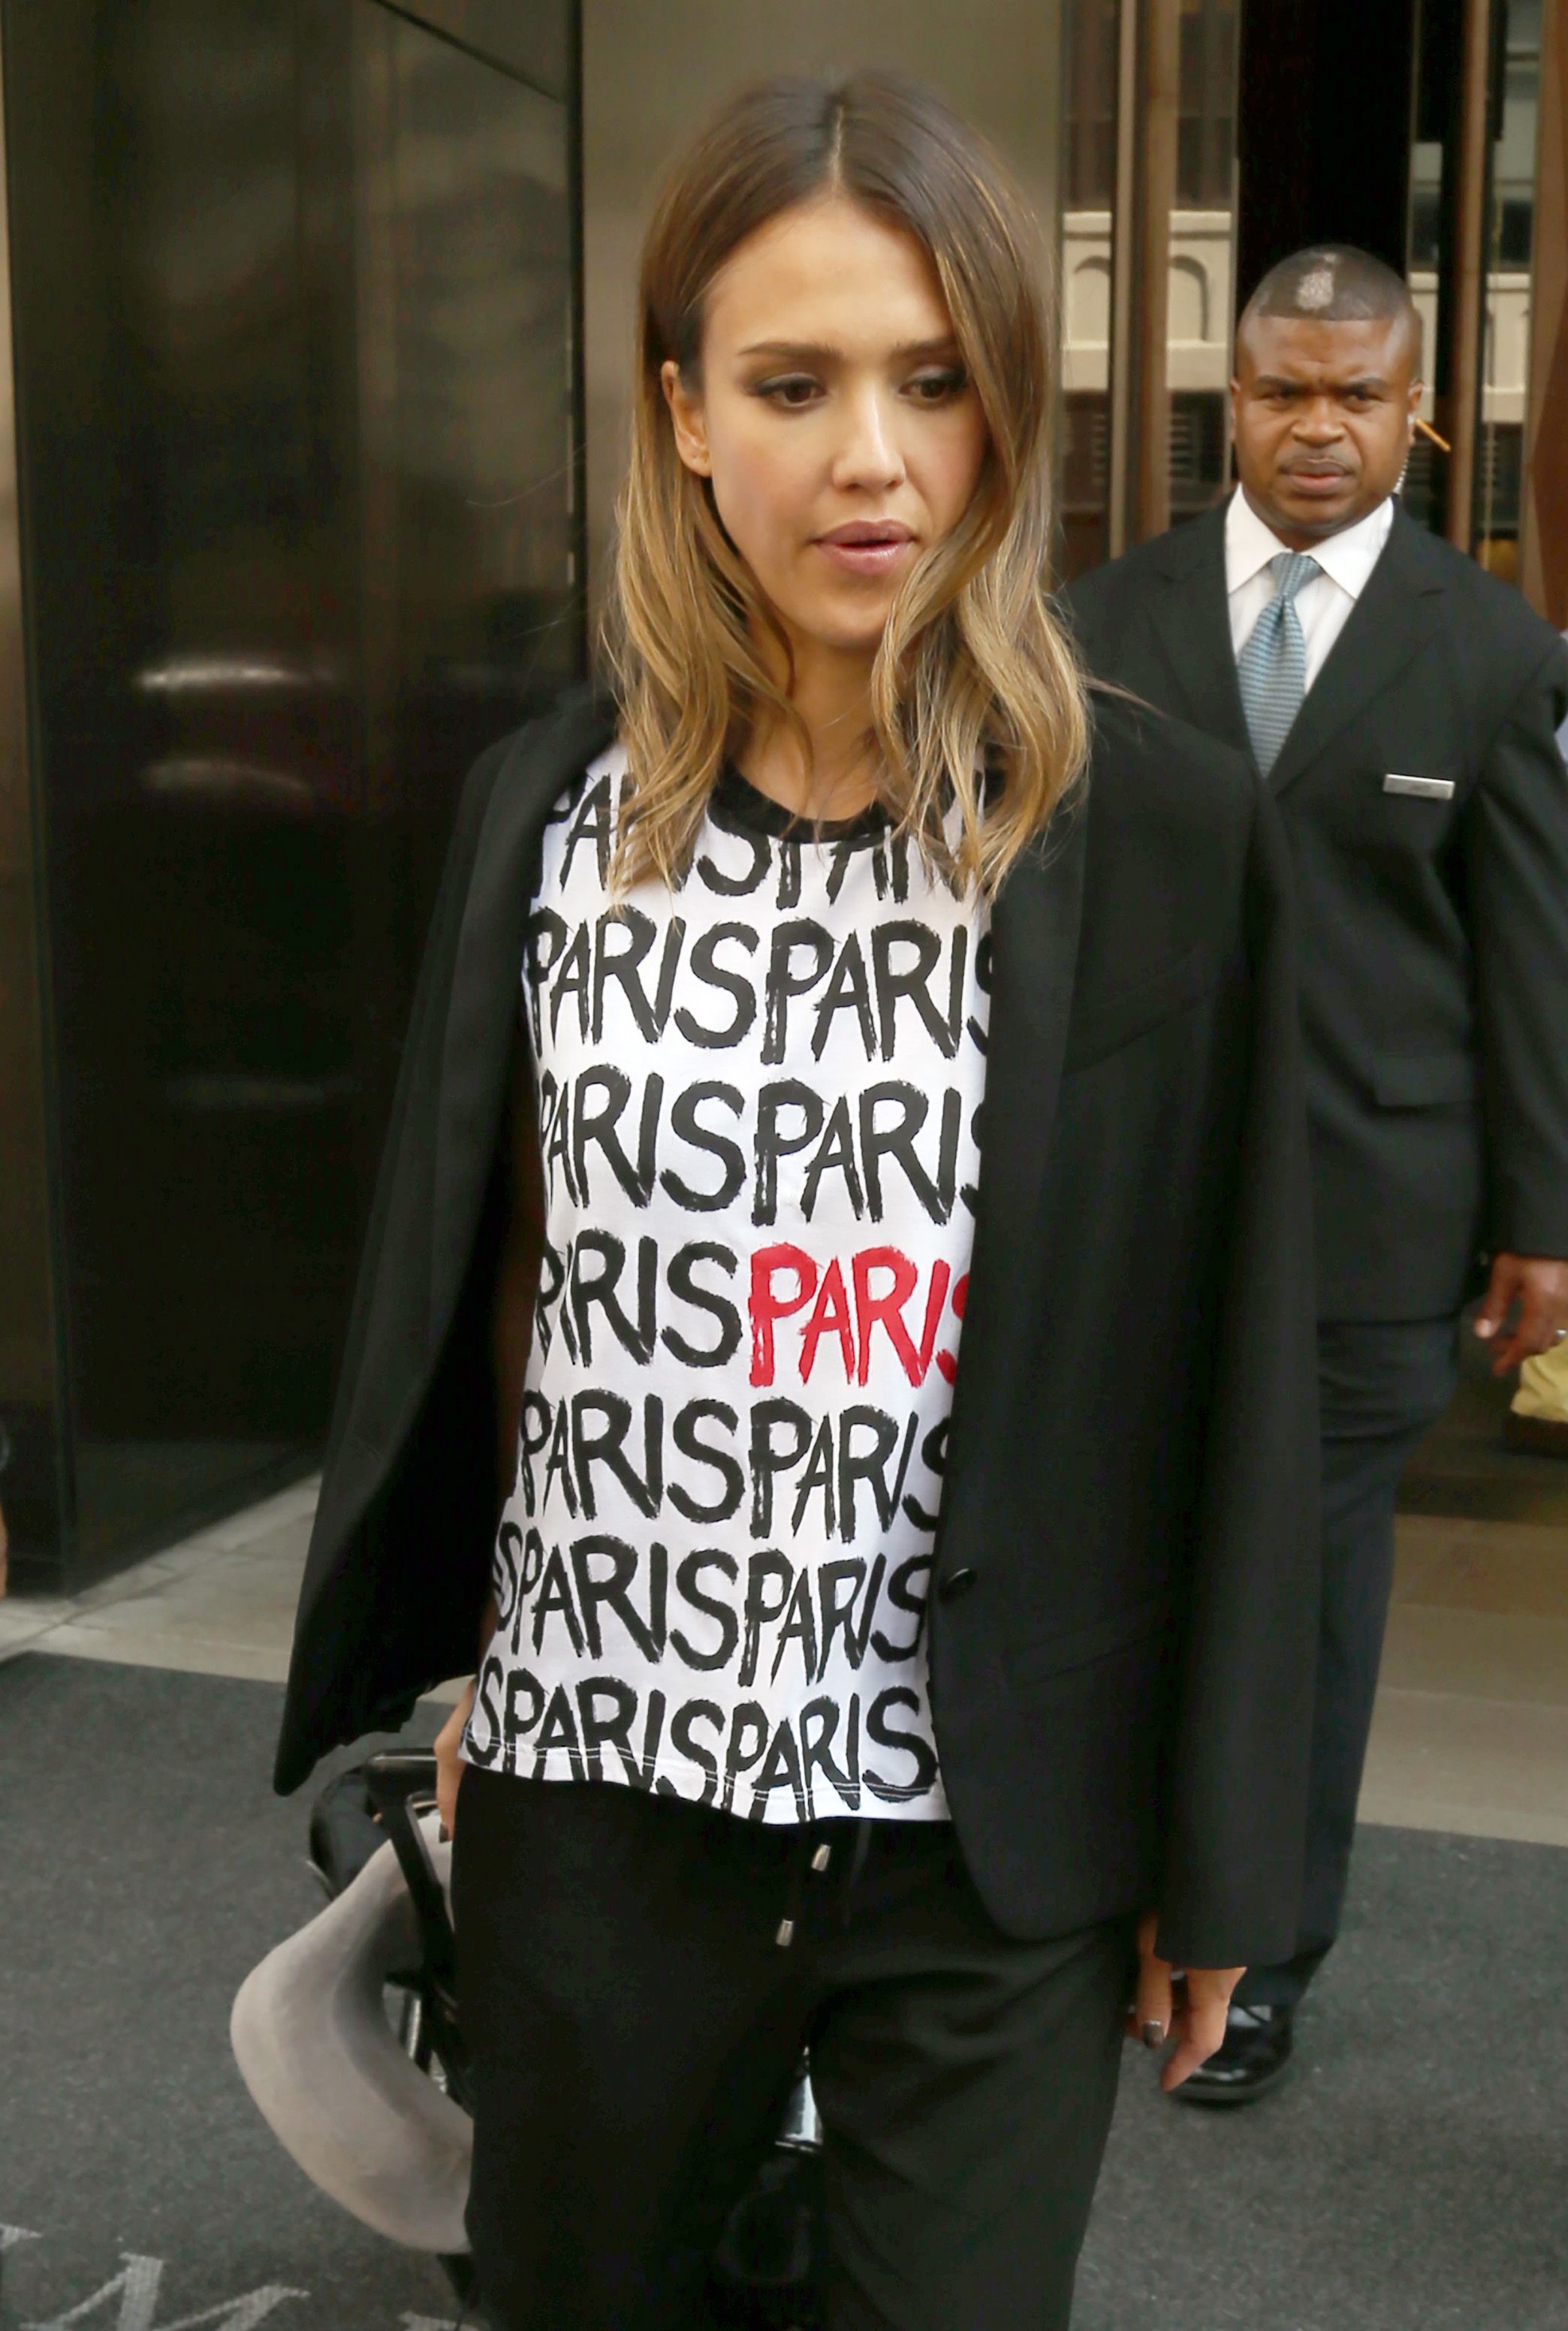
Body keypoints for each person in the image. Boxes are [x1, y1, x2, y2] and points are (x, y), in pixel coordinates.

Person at [275, 74, 1319, 2329]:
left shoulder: (1149, 833)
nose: (873, 456)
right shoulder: (541, 818)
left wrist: (1224, 1859)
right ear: (680, 413)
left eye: (936, 381)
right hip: (601, 1807)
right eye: (794, 381)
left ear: (1004, 410)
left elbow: (1243, 1359)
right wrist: (481, 1651)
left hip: (984, 1829)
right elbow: (508, 1283)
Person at [1068, 243, 1568, 2106]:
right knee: (1119, 1550)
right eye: (1286, 390)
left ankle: (1263, 1951)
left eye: (1359, 395)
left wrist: (1548, 1221)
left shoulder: (1496, 648)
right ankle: (1101, 1899)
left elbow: (1533, 955)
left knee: (1311, 1589)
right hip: (1132, 1204)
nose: (1319, 427)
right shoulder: (1096, 622)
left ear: (1418, 408)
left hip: (1373, 1218)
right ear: (1233, 396)